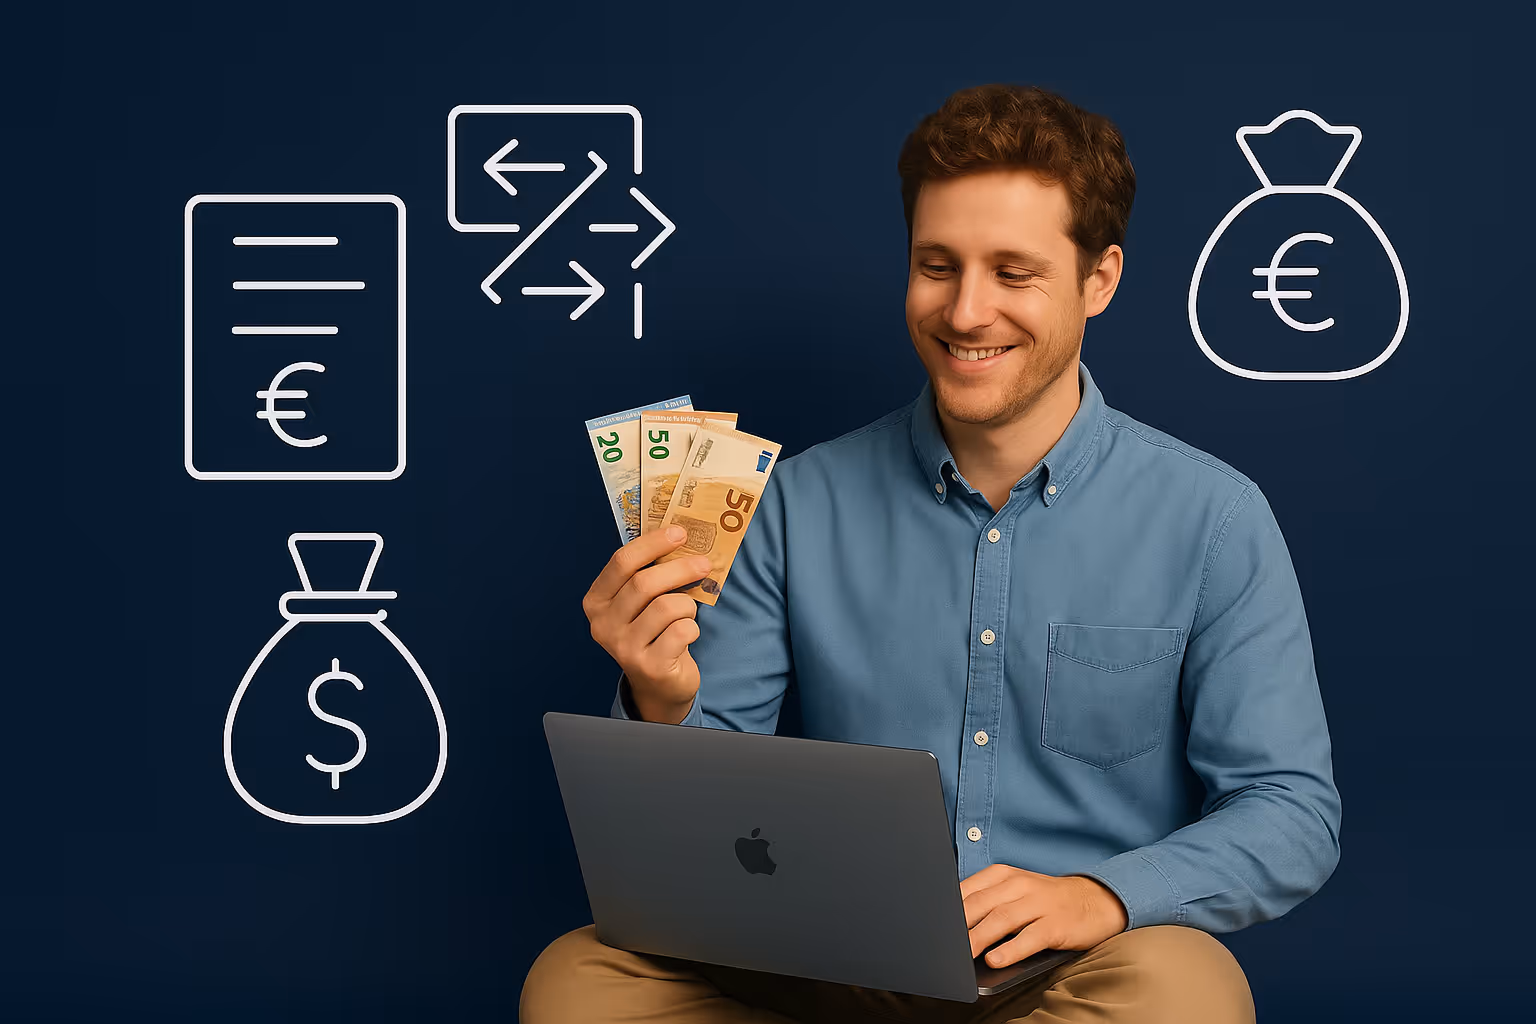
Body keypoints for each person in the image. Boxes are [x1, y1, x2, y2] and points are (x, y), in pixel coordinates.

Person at [522, 82, 1341, 1023]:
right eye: (937, 265)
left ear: (1099, 280)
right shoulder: (795, 502)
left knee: (1186, 995)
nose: (965, 311)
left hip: (1065, 969)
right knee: (578, 984)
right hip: (819, 958)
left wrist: (1102, 896)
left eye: (1014, 272)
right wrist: (659, 709)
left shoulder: (1217, 519)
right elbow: (703, 816)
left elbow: (1290, 810)